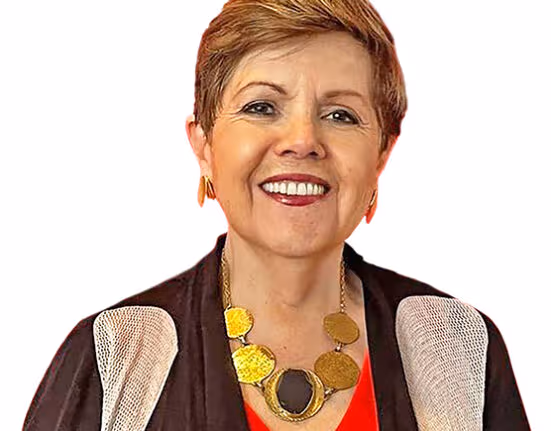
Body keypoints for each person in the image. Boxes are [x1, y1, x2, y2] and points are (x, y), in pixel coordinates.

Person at [23, 0, 530, 430]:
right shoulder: (114, 357)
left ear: (381, 155)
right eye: (262, 107)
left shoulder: (456, 348)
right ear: (204, 145)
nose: (302, 141)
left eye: (341, 115)